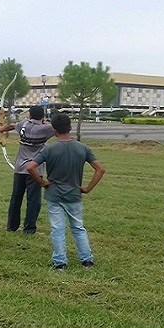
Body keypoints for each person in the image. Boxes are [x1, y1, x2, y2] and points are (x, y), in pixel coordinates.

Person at [25, 113, 105, 270]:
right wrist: (88, 188)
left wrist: (42, 183)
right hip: (74, 194)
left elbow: (30, 167)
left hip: (54, 194)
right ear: (70, 128)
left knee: (57, 229)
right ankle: (87, 259)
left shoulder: (49, 149)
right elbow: (100, 169)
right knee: (78, 227)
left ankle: (60, 261)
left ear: (54, 130)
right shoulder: (82, 148)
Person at [0, 105, 55, 234]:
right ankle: (29, 228)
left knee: (16, 198)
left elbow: (12, 125)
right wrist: (44, 122)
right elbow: (56, 128)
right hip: (35, 169)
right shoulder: (45, 128)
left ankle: (12, 226)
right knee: (33, 199)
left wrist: (1, 129)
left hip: (19, 167)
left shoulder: (23, 124)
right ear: (43, 116)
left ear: (29, 115)